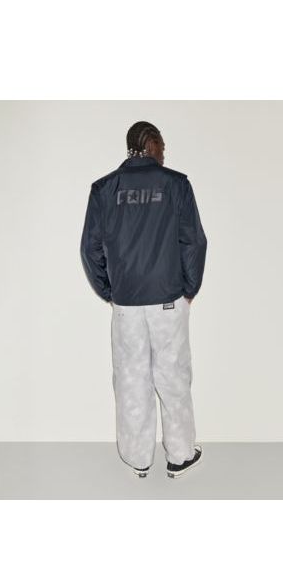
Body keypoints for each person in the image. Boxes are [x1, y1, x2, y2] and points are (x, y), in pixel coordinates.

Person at [80, 121, 207, 478]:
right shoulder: (176, 185)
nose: (164, 152)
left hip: (127, 304)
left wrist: (110, 291)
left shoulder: (104, 189)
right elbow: (194, 241)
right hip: (168, 300)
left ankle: (138, 459)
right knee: (173, 378)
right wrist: (189, 289)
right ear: (150, 143)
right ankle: (180, 455)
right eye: (162, 144)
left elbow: (90, 249)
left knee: (131, 379)